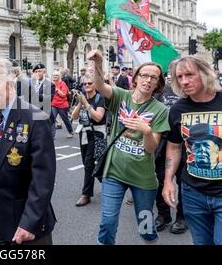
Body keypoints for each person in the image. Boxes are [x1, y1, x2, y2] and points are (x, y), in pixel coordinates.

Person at [0, 59, 56, 245]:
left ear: (10, 82)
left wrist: (29, 222)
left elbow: (43, 179)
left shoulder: (36, 118)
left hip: (25, 224)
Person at [88, 50, 169, 245]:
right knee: (107, 222)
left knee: (146, 226)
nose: (148, 80)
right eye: (144, 75)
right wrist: (98, 64)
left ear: (158, 84)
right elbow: (99, 86)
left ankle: (150, 240)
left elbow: (151, 149)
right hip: (114, 172)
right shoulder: (121, 96)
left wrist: (147, 131)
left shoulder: (160, 110)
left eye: (154, 78)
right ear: (135, 78)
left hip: (143, 179)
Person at [164, 56, 222, 245]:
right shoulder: (177, 110)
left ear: (204, 74)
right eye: (179, 77)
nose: (184, 81)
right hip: (193, 193)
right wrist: (167, 181)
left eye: (189, 74)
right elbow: (173, 147)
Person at [153, 73, 187, 234]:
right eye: (177, 74)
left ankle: (182, 216)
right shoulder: (161, 91)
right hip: (163, 143)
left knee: (184, 182)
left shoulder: (188, 92)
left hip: (185, 144)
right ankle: (163, 215)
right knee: (160, 180)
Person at [71, 74, 106, 207]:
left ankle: (86, 194)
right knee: (89, 164)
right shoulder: (83, 99)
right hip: (84, 133)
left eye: (90, 83)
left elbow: (98, 117)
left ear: (95, 84)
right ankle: (110, 183)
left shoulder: (100, 98)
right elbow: (74, 117)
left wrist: (86, 104)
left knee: (89, 162)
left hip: (97, 134)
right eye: (85, 84)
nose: (87, 86)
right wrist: (80, 103)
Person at [51, 71, 74, 138]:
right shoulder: (51, 84)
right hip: (54, 104)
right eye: (54, 75)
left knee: (65, 119)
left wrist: (57, 89)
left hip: (62, 105)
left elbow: (64, 95)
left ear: (59, 76)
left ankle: (70, 131)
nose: (55, 77)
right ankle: (52, 135)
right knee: (52, 119)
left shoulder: (62, 84)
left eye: (56, 75)